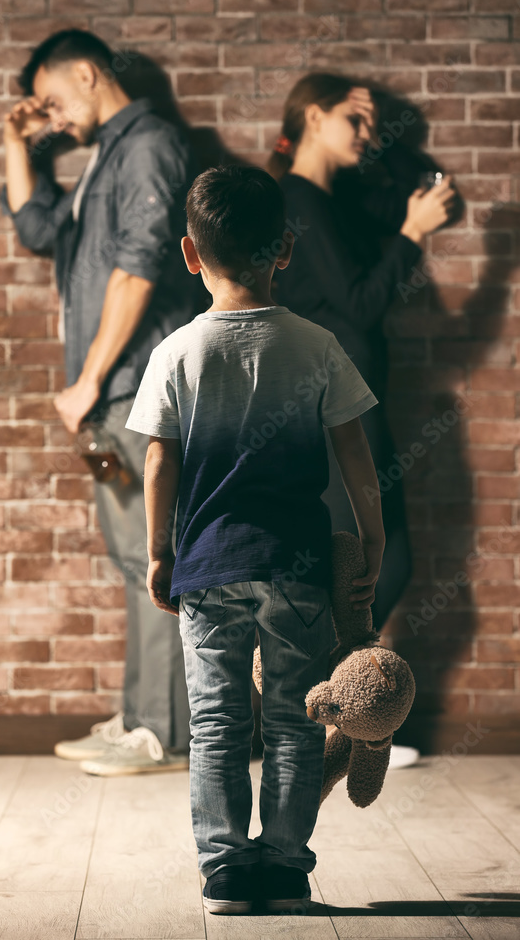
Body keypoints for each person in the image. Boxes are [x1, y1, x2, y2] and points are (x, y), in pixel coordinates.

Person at [124, 165, 386, 915]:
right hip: (297, 567)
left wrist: (159, 552)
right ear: (286, 248)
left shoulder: (177, 352)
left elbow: (159, 460)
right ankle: (286, 866)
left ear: (189, 253)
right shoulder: (316, 345)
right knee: (296, 722)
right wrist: (370, 538)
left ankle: (226, 872)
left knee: (216, 724)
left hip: (208, 567)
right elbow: (355, 452)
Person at [0, 29, 205, 775]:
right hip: (115, 395)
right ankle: (144, 718)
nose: (52, 118)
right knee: (134, 557)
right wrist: (15, 141)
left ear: (89, 74)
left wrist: (88, 381)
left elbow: (139, 269)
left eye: (54, 100)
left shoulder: (148, 145)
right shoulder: (101, 162)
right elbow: (35, 226)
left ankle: (165, 734)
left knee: (158, 557)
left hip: (140, 388)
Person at [265, 74, 457, 641]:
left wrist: (379, 135)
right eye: (353, 119)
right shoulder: (297, 201)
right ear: (314, 118)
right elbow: (360, 304)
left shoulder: (339, 199)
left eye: (368, 124)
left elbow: (427, 185)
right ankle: (320, 685)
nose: (364, 133)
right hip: (330, 405)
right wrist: (411, 235)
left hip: (354, 398)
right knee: (368, 563)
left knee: (381, 562)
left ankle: (328, 685)